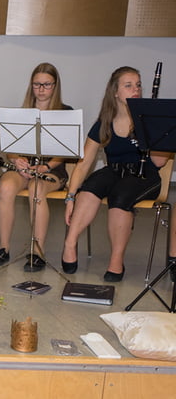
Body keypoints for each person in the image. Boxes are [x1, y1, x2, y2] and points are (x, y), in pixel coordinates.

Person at [61, 67, 168, 281]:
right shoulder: (104, 122)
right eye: (128, 85)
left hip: (145, 175)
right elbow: (84, 163)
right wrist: (71, 196)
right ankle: (70, 244)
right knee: (90, 187)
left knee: (120, 196)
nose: (136, 89)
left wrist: (150, 129)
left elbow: (160, 162)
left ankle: (116, 260)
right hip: (115, 170)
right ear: (115, 92)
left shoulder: (148, 118)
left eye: (138, 85)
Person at [0, 63, 70, 271]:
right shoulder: (22, 112)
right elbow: (10, 148)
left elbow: (66, 151)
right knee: (6, 185)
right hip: (24, 168)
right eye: (37, 84)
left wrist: (46, 166)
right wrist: (17, 160)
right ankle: (4, 247)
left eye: (47, 84)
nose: (41, 89)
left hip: (52, 170)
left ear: (55, 86)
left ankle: (37, 251)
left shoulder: (65, 112)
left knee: (36, 188)